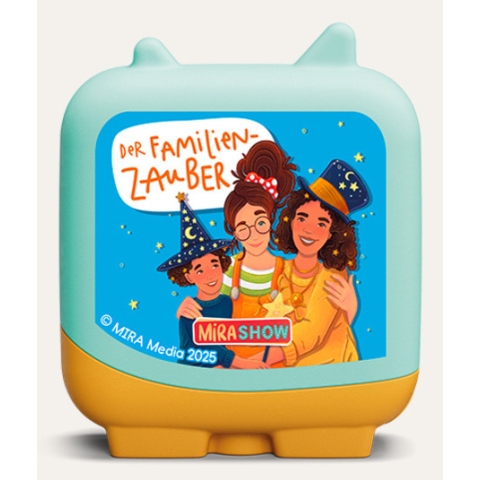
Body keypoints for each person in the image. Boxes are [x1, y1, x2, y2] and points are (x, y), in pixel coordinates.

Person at [252, 160, 370, 367]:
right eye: (302, 218)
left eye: (321, 224)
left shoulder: (334, 275)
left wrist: (249, 362)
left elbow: (311, 331)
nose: (308, 230)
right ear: (290, 221)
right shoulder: (280, 268)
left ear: (333, 234)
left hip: (331, 372)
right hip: (285, 372)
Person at [157, 193, 269, 369]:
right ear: (189, 276)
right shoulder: (190, 310)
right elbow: (206, 347)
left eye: (214, 265)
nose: (210, 275)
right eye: (199, 270)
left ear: (222, 264)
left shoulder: (228, 302)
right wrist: (241, 363)